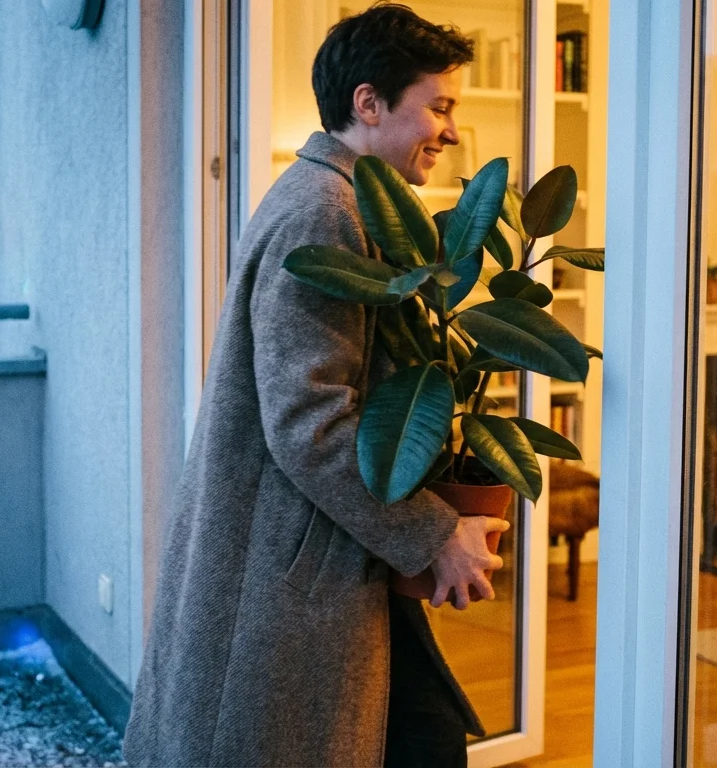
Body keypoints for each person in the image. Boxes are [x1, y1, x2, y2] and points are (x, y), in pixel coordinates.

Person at [122, 4, 508, 767]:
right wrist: (435, 533)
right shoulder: (327, 213)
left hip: (319, 561)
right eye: (439, 107)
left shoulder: (331, 197)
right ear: (368, 103)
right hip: (298, 571)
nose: (452, 132)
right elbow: (310, 421)